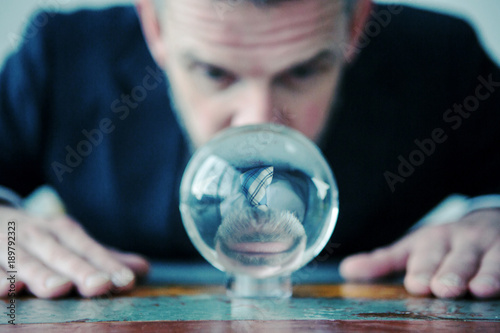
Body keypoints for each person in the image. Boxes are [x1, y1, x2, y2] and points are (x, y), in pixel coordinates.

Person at [0, 0, 499, 299]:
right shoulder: (61, 57)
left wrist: (491, 217)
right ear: (155, 27)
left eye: (302, 72)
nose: (258, 121)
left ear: (354, 25)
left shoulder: (441, 60)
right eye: (215, 73)